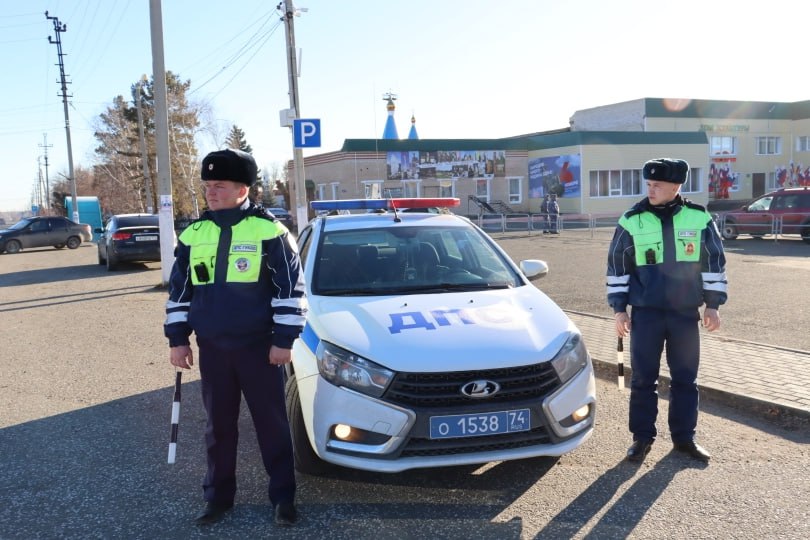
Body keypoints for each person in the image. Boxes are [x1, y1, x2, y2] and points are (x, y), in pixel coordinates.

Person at [164, 149, 307, 526]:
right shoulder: (194, 234)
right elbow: (179, 293)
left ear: (243, 189)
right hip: (213, 351)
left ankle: (283, 498)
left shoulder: (270, 231)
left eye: (220, 186)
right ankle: (218, 498)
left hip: (260, 349)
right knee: (218, 428)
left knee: (272, 425)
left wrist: (284, 340)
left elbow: (291, 290)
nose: (211, 192)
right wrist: (177, 339)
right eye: (208, 186)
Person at [606, 158, 727, 464]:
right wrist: (620, 310)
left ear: (676, 186)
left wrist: (713, 305)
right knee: (642, 380)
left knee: (686, 379)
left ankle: (684, 439)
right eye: (648, 184)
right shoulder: (632, 219)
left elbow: (713, 262)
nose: (651, 190)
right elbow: (617, 266)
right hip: (645, 314)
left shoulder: (699, 218)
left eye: (657, 185)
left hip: (685, 314)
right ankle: (641, 439)